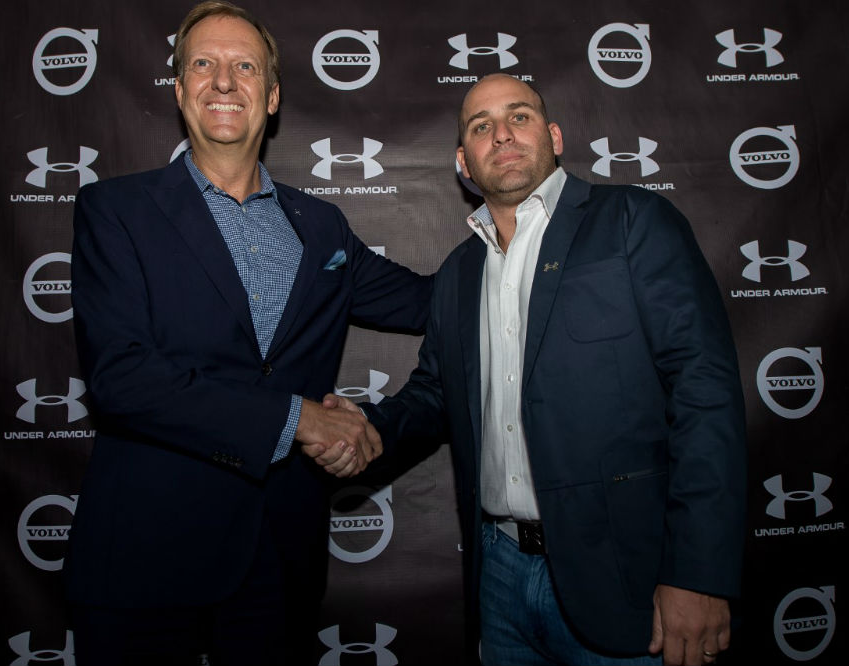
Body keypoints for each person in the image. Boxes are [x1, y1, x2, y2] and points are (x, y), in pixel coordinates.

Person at [63, 2, 430, 664]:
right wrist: (299, 419)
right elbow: (122, 378)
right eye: (204, 64)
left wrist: (515, 235)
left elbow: (432, 302)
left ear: (273, 95)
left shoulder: (322, 226)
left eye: (245, 67)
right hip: (146, 554)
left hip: (279, 558)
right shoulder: (115, 210)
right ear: (180, 91)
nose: (225, 81)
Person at [351, 73, 747, 666]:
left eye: (520, 116)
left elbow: (705, 392)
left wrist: (698, 572)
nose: (502, 134)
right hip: (499, 577)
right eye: (481, 126)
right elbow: (435, 394)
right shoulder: (458, 273)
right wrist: (364, 430)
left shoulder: (633, 221)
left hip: (629, 580)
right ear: (463, 162)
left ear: (554, 136)